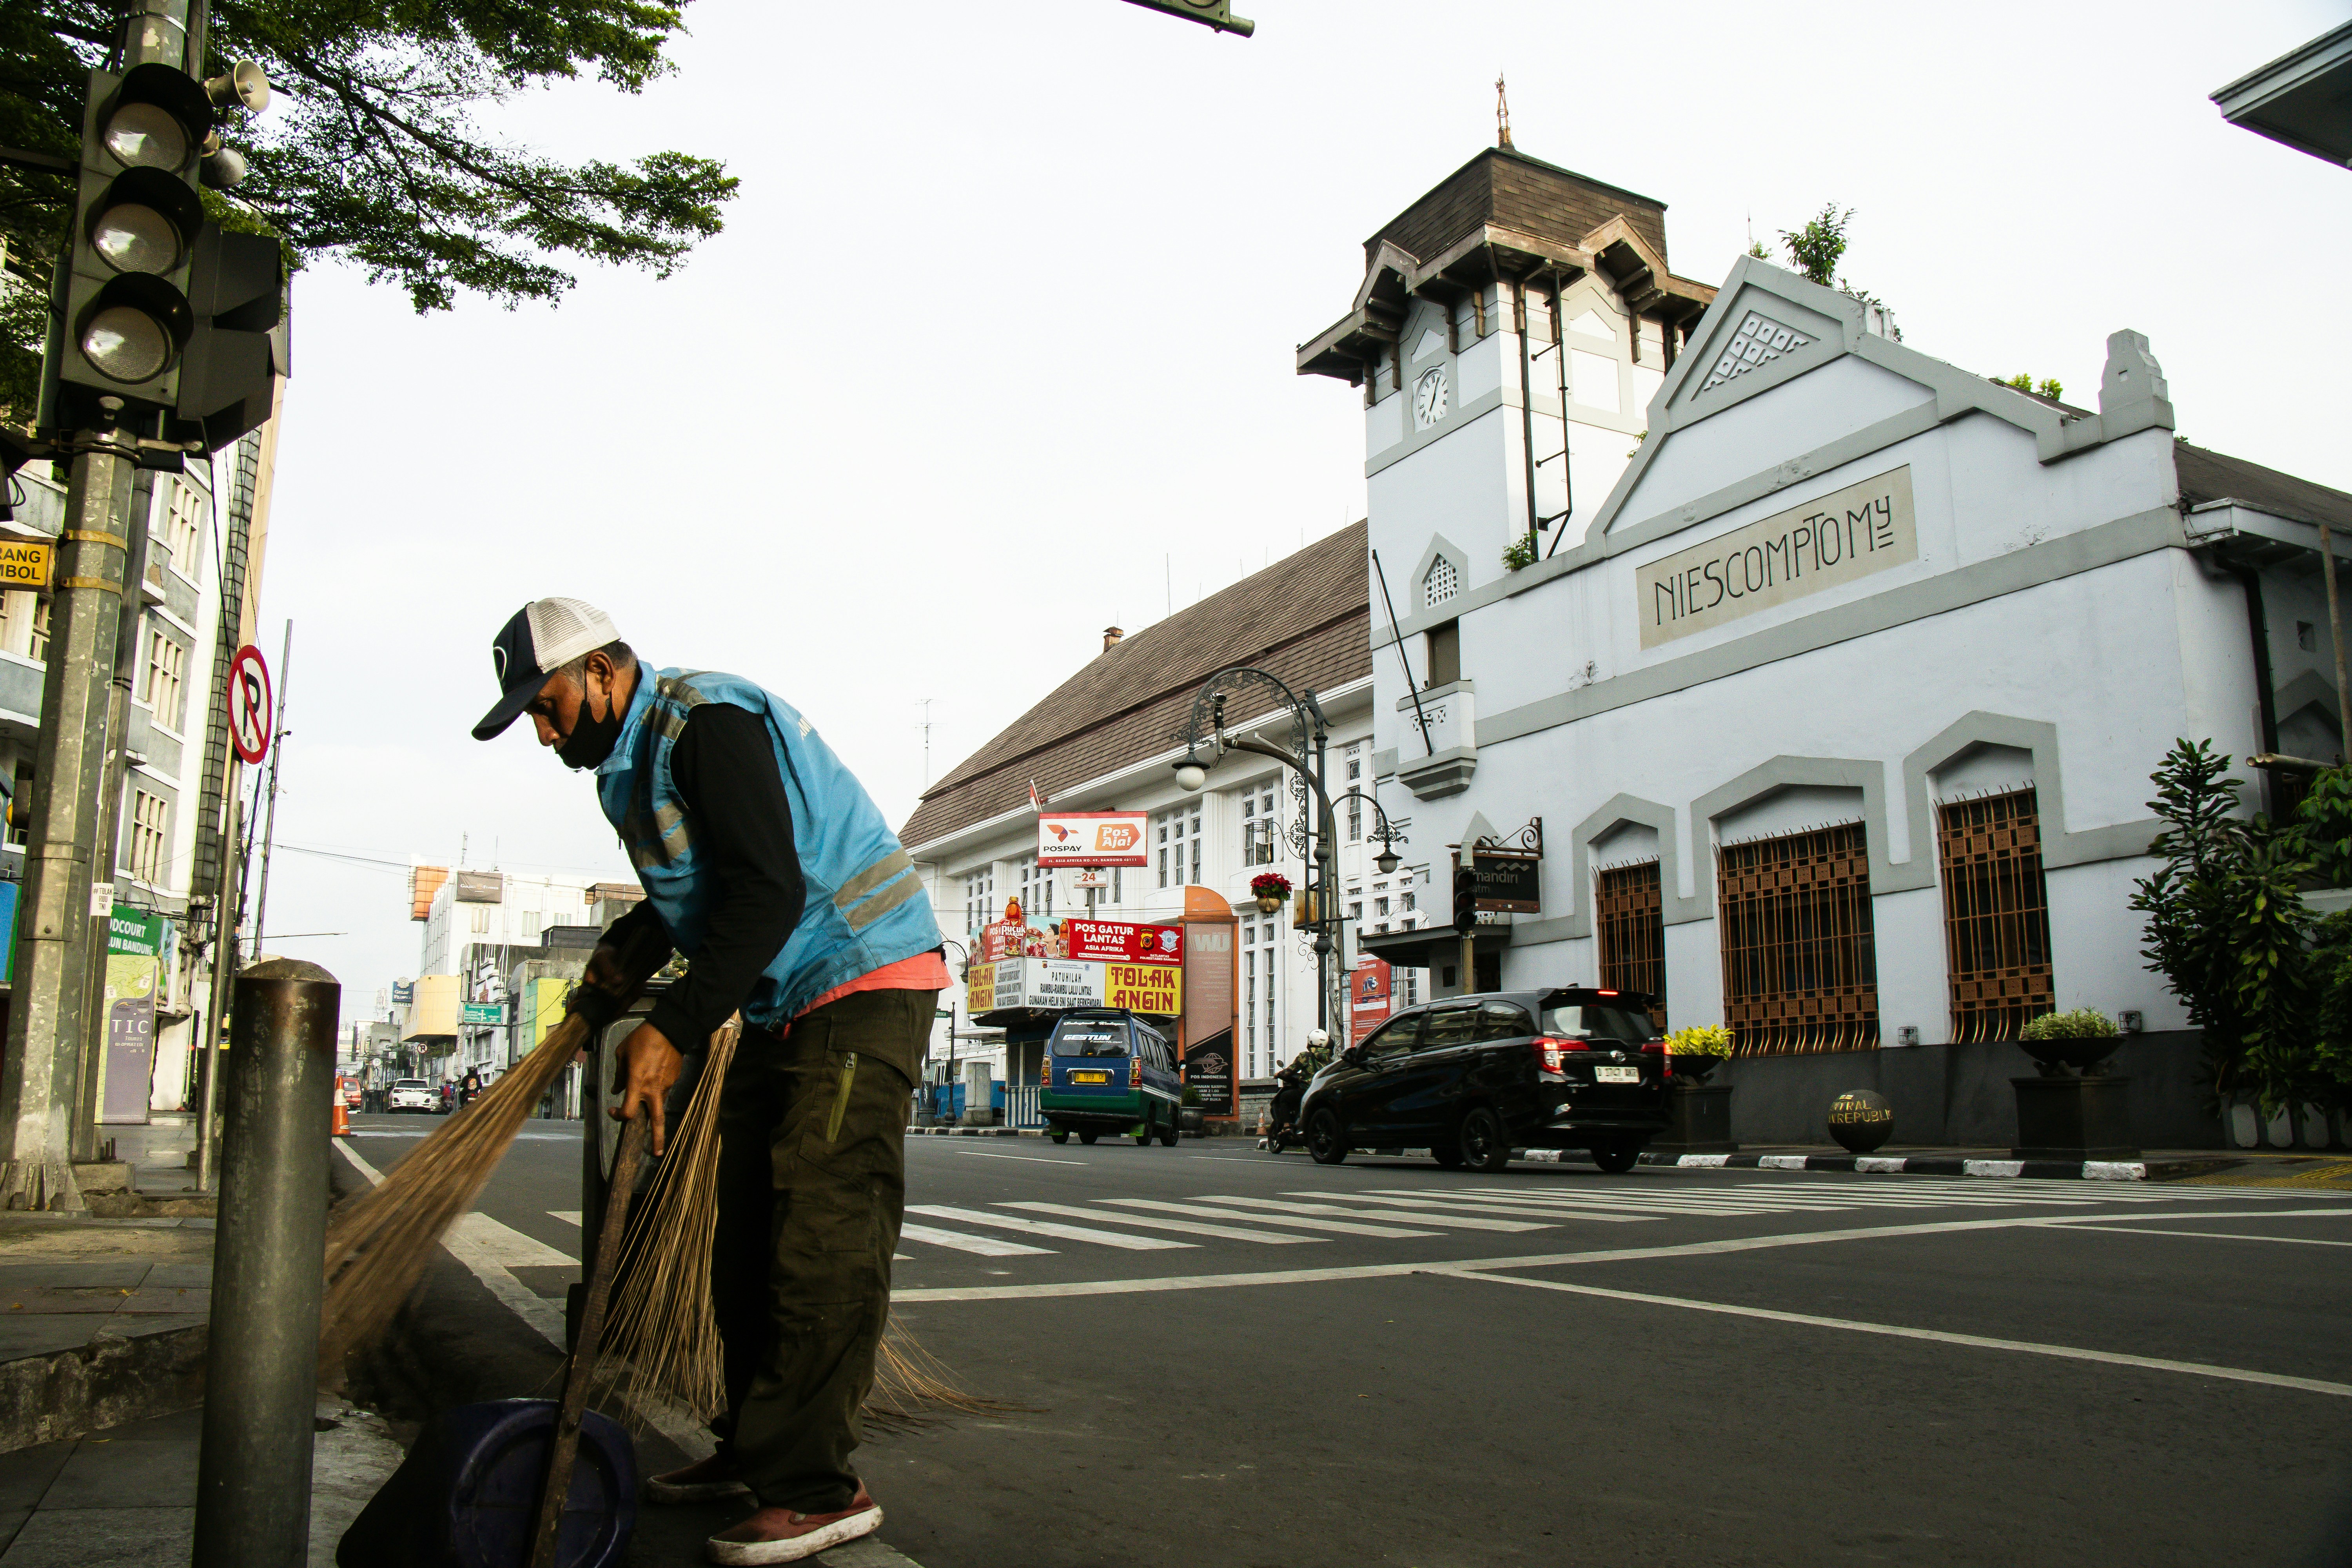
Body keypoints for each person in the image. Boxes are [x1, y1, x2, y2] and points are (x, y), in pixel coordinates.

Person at [474, 597, 944, 1566]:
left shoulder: (704, 724)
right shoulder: (631, 764)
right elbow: (708, 883)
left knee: (821, 1233)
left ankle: (818, 1488)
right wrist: (630, 948)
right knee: (745, 1234)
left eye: (551, 702)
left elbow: (768, 885)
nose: (545, 726)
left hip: (862, 980)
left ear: (603, 671)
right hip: (788, 1001)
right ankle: (754, 1448)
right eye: (529, 714)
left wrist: (677, 1026)